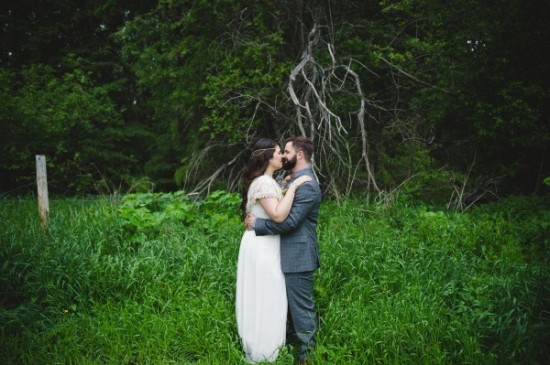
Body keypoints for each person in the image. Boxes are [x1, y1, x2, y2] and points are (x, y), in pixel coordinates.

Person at [246, 136, 322, 364]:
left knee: (300, 307)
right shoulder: (289, 180)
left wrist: (257, 224)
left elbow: (289, 222)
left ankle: (307, 355)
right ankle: (284, 345)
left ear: (299, 155)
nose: (283, 155)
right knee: (285, 305)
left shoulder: (307, 185)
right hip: (282, 253)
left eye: (286, 151)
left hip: (298, 255)